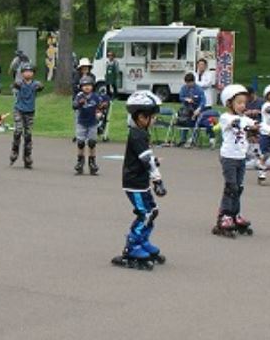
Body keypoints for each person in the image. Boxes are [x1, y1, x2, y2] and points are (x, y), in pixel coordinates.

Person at [111, 91, 168, 270]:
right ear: (141, 117)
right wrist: (158, 180)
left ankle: (143, 241)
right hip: (134, 183)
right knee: (144, 214)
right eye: (152, 117)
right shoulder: (137, 135)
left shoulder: (141, 133)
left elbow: (144, 158)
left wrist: (153, 162)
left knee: (152, 211)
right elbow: (146, 160)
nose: (155, 120)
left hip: (140, 181)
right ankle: (132, 246)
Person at [213, 84, 259, 237]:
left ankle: (235, 214)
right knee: (230, 187)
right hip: (228, 157)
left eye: (244, 103)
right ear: (229, 103)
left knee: (238, 187)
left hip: (241, 157)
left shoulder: (244, 119)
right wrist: (244, 125)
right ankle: (224, 216)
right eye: (239, 102)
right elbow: (233, 123)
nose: (242, 105)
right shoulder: (226, 117)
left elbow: (256, 125)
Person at [10, 62, 44, 169]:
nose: (28, 73)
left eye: (30, 71)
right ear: (22, 73)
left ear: (33, 73)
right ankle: (15, 150)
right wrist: (15, 84)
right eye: (26, 71)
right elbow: (14, 84)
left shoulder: (35, 84)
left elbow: (41, 86)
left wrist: (40, 86)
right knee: (18, 130)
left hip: (30, 111)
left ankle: (27, 156)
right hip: (19, 110)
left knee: (28, 135)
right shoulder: (20, 83)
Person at [73, 75, 107, 175]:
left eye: (89, 85)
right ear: (81, 87)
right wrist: (79, 103)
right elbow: (74, 105)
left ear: (92, 86)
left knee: (92, 143)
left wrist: (102, 109)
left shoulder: (96, 97)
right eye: (84, 85)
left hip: (92, 123)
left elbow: (101, 107)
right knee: (81, 143)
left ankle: (92, 162)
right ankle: (80, 161)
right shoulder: (79, 96)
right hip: (82, 123)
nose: (87, 87)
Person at [176, 72, 206, 147]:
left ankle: (194, 139)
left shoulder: (199, 89)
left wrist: (199, 109)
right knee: (184, 120)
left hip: (196, 109)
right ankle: (183, 139)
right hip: (186, 109)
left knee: (195, 120)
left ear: (193, 81)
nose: (188, 84)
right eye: (187, 83)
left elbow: (203, 101)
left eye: (189, 83)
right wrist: (186, 99)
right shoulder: (184, 88)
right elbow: (181, 97)